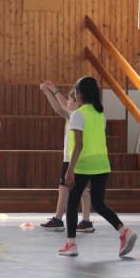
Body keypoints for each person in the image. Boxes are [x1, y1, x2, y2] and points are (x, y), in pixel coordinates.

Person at [58, 76, 137, 258]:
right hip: (102, 164)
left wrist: (70, 169)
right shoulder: (99, 114)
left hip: (83, 165)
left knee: (72, 202)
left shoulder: (78, 114)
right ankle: (123, 230)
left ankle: (71, 243)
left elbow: (79, 144)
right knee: (98, 204)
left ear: (79, 94)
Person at [38, 81, 94, 232]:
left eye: (71, 100)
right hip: (71, 158)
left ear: (78, 103)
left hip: (73, 158)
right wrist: (51, 90)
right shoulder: (74, 115)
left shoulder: (75, 115)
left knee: (74, 189)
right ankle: (70, 220)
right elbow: (61, 106)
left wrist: (50, 91)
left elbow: (60, 107)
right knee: (70, 188)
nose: (67, 102)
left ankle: (76, 220)